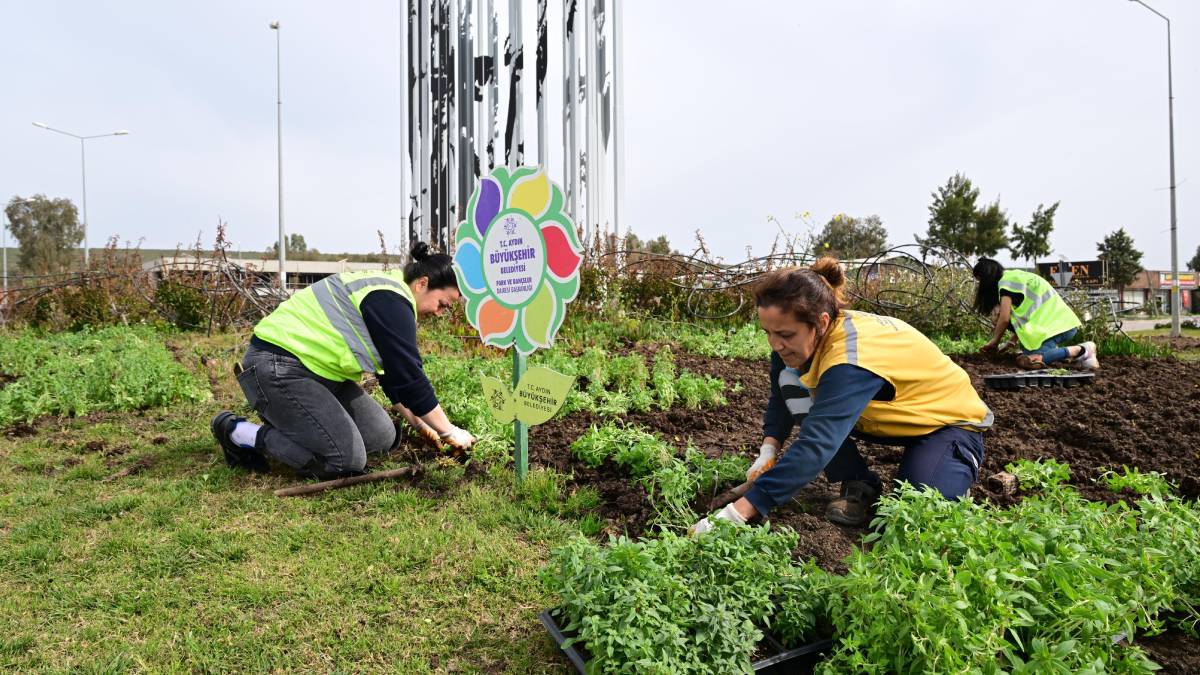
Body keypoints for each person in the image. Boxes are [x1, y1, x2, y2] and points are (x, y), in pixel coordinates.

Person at [692, 258, 993, 533]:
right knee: (791, 382)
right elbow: (780, 397)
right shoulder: (795, 339)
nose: (775, 344)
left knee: (915, 514)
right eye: (768, 332)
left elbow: (817, 444)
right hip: (892, 413)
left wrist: (738, 513)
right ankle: (860, 483)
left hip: (948, 422)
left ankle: (951, 473)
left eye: (784, 335)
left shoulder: (850, 359)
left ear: (821, 323)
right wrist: (768, 451)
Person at [211, 242, 477, 478]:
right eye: (443, 304)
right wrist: (448, 431)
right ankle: (238, 431)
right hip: (277, 366)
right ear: (423, 283)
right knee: (343, 460)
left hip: (318, 373)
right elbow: (410, 376)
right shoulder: (390, 299)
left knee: (382, 437)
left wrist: (421, 425)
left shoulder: (390, 293)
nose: (441, 313)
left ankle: (295, 421)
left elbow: (394, 378)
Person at [971, 258, 1098, 370]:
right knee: (1030, 355)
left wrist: (994, 341)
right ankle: (1079, 359)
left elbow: (1004, 318)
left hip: (1057, 327)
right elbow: (1025, 318)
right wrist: (1010, 343)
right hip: (1058, 325)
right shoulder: (1014, 277)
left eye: (980, 280)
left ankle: (1083, 349)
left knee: (1031, 359)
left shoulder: (1005, 284)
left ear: (986, 278)